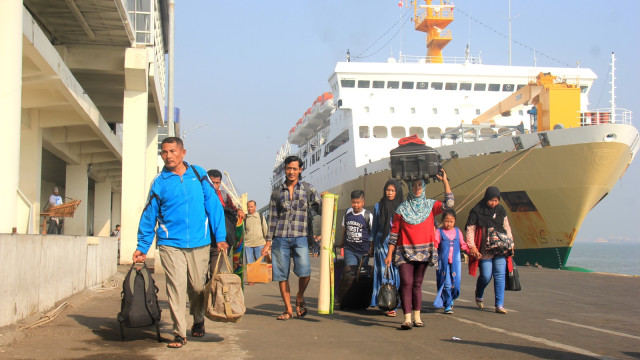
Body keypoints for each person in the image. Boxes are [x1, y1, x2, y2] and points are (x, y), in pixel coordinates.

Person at [133, 137, 227, 349]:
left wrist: (220, 237)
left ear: (183, 152)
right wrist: (142, 246)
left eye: (172, 151)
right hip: (170, 243)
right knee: (175, 286)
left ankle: (198, 318)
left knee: (197, 286)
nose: (168, 156)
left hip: (199, 241)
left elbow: (213, 205)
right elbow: (149, 216)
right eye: (164, 152)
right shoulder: (160, 182)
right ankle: (178, 333)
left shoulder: (199, 174)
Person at [384, 170, 452, 330]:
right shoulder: (401, 209)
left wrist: (445, 181)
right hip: (404, 252)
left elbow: (449, 204)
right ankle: (407, 319)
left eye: (420, 185)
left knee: (417, 284)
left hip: (424, 251)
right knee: (406, 283)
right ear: (409, 186)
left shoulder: (430, 206)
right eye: (414, 185)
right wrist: (389, 254)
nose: (417, 188)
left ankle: (417, 317)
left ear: (424, 186)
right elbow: (394, 233)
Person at [261, 155, 321, 320]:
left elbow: (320, 208)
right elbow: (272, 217)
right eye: (289, 168)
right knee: (282, 275)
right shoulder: (277, 192)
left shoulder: (308, 189)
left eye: (295, 169)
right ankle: (288, 309)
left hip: (300, 237)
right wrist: (268, 242)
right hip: (280, 238)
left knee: (305, 271)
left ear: (300, 170)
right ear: (285, 170)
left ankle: (300, 296)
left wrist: (326, 199)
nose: (291, 172)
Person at [465, 186, 515, 315]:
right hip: (484, 250)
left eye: (496, 200)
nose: (493, 203)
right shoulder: (477, 211)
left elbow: (506, 227)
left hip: (500, 248)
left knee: (499, 275)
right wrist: (472, 247)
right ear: (486, 198)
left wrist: (511, 244)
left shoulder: (501, 210)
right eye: (491, 200)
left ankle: (499, 305)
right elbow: (471, 230)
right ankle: (479, 292)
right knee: (486, 276)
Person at [370, 179, 403, 316]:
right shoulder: (379, 206)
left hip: (397, 243)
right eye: (388, 190)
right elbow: (375, 227)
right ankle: (387, 304)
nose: (389, 193)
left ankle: (392, 301)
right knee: (384, 271)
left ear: (397, 192)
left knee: (395, 272)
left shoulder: (402, 207)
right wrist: (371, 244)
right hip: (381, 242)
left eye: (393, 190)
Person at [434, 209, 469, 314]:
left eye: (451, 222)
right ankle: (448, 304)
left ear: (454, 222)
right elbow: (435, 244)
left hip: (455, 262)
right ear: (442, 220)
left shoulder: (457, 231)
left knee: (456, 284)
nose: (448, 224)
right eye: (446, 221)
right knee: (447, 283)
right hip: (443, 263)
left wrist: (470, 250)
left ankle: (451, 298)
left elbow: (462, 244)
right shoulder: (439, 232)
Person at [338, 190, 373, 271]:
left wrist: (371, 248)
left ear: (363, 203)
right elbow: (344, 228)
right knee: (350, 272)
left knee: (361, 274)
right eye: (353, 202)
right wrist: (342, 241)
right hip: (350, 250)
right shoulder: (348, 212)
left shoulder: (368, 216)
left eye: (358, 202)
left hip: (363, 251)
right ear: (351, 202)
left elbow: (372, 233)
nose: (356, 205)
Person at [244, 200, 267, 285]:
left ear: (255, 207)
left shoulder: (260, 217)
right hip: (248, 244)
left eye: (251, 207)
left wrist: (268, 243)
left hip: (260, 243)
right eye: (248, 207)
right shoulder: (245, 218)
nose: (250, 208)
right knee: (249, 263)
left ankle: (260, 277)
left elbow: (265, 229)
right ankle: (251, 279)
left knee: (260, 262)